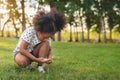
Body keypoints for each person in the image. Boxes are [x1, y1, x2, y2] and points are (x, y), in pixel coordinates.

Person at [13, 8, 66, 73]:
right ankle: (28, 64)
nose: (46, 38)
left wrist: (49, 57)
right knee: (23, 62)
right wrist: (35, 59)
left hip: (33, 52)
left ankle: (40, 66)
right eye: (44, 36)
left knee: (46, 43)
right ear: (39, 31)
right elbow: (22, 49)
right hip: (21, 53)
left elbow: (49, 49)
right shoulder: (30, 32)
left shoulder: (47, 37)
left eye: (49, 36)